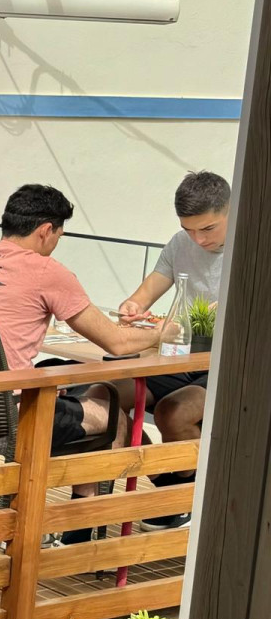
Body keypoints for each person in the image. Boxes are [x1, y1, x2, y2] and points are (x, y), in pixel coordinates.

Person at [0, 184, 164, 545]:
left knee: (76, 383)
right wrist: (164, 332)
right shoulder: (47, 271)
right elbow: (117, 342)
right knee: (113, 415)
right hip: (11, 416)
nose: (57, 242)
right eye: (60, 234)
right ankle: (81, 531)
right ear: (46, 230)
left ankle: (81, 523)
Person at [106, 171, 229, 532]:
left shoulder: (252, 246)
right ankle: (168, 485)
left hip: (226, 364)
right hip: (181, 356)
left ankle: (186, 501)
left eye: (208, 228)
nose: (198, 239)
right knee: (106, 396)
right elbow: (142, 296)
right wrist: (131, 307)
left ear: (231, 210)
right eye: (189, 230)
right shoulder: (180, 244)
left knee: (172, 412)